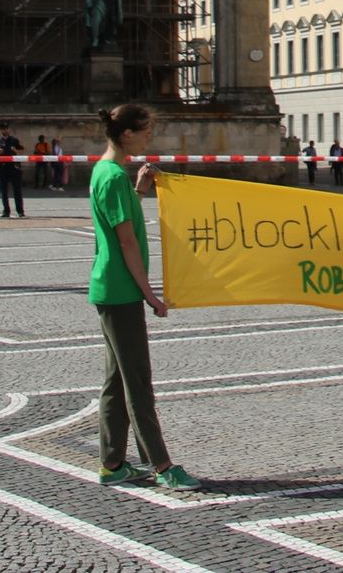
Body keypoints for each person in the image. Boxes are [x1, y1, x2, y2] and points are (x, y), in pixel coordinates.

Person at [87, 103, 200, 490]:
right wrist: (150, 294)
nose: (150, 137)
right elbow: (127, 243)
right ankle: (162, 465)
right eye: (146, 131)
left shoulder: (106, 172)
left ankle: (112, 462)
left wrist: (140, 187)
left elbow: (120, 217)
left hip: (108, 287)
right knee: (137, 381)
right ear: (128, 134)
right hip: (120, 290)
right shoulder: (113, 177)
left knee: (116, 379)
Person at [0, 122, 27, 218]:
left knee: (17, 190)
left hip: (14, 167)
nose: (4, 130)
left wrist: (15, 150)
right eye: (2, 129)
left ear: (8, 129)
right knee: (3, 191)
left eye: (6, 128)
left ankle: (20, 211)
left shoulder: (14, 140)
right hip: (2, 168)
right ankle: (6, 211)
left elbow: (22, 150)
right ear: (0, 130)